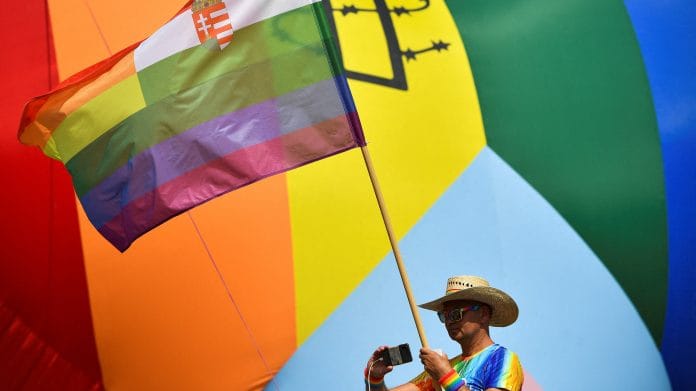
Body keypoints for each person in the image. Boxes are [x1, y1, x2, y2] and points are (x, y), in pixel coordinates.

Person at [364, 276, 523, 391]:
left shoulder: (502, 359)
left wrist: (445, 375)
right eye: (444, 316)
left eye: (455, 314)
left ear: (483, 314)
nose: (449, 322)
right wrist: (374, 378)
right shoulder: (445, 366)